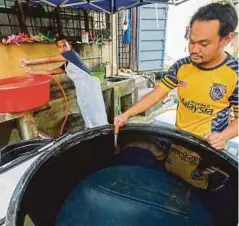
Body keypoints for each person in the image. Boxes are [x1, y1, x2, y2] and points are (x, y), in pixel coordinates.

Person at [114, 3, 238, 151]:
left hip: (208, 149)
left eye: (204, 44)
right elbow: (156, 95)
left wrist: (223, 136)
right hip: (178, 139)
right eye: (192, 41)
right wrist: (126, 114)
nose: (194, 50)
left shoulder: (234, 74)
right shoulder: (181, 66)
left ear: (226, 39)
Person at [22, 36, 108, 129]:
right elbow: (52, 71)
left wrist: (28, 61)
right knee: (88, 112)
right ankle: (94, 130)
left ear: (69, 46)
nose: (63, 48)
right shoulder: (67, 64)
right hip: (82, 88)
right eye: (60, 47)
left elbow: (50, 59)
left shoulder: (71, 55)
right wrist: (32, 72)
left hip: (89, 87)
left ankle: (102, 130)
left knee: (95, 111)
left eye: (64, 45)